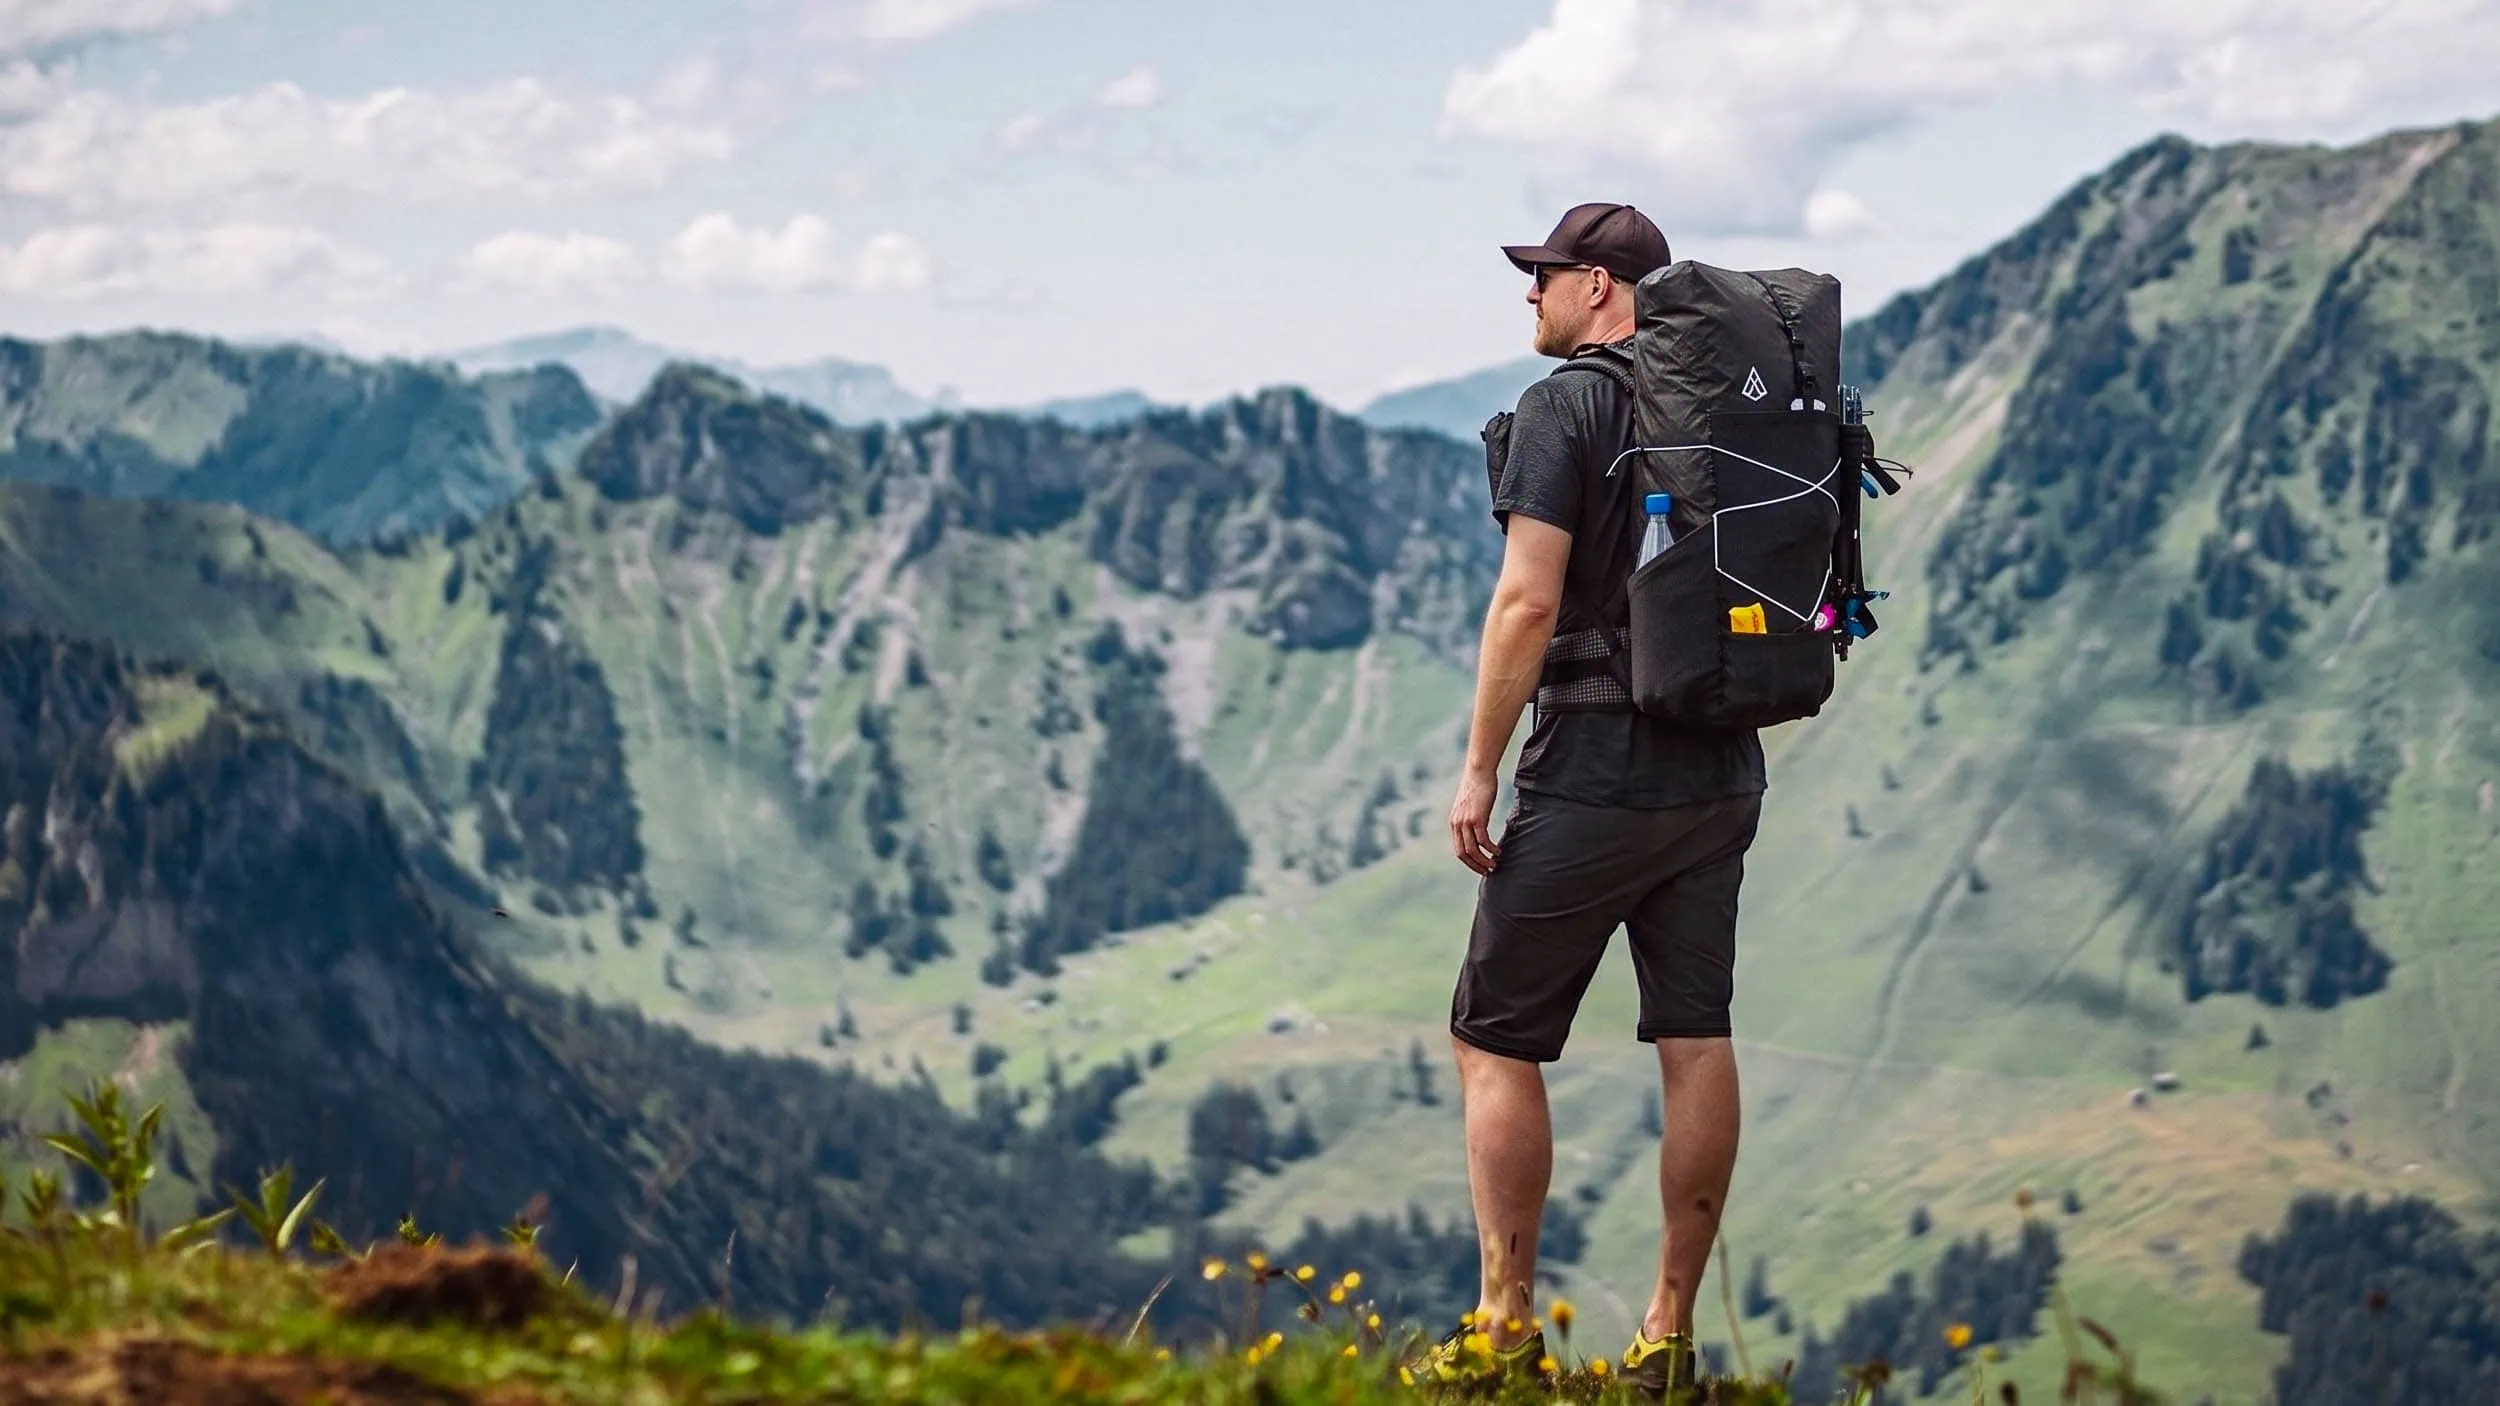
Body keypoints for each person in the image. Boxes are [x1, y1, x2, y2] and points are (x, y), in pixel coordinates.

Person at [1421, 202, 1768, 1398]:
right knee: (1695, 1030)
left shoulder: (1569, 404)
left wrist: (1478, 766)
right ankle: (1667, 1328)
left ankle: (1504, 1320)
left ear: (1606, 288)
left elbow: (1526, 600)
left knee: (1490, 1036)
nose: (1531, 295)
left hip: (1598, 762)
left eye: (1547, 275)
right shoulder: (1723, 407)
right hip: (1721, 761)